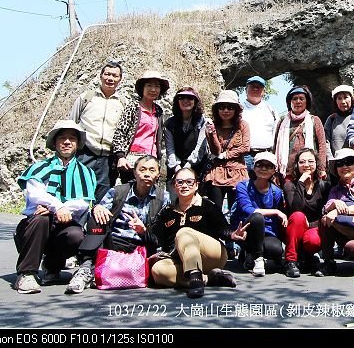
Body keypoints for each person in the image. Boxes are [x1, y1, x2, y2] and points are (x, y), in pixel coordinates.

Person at [13, 120, 96, 294]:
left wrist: (58, 208)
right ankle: (26, 273)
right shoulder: (39, 167)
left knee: (75, 234)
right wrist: (57, 207)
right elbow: (35, 194)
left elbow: (82, 203)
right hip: (33, 228)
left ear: (77, 143)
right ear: (55, 142)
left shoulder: (86, 172)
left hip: (63, 225)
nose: (67, 142)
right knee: (41, 219)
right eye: (62, 138)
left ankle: (52, 267)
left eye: (72, 138)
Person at [65, 155, 169, 294]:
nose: (147, 174)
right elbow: (98, 212)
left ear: (158, 174)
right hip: (115, 241)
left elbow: (162, 231)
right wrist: (97, 208)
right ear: (134, 172)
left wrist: (143, 230)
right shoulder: (118, 191)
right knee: (96, 219)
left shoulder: (164, 197)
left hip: (143, 243)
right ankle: (86, 269)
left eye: (152, 170)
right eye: (142, 169)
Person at [150, 167, 248, 298]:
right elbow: (157, 239)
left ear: (196, 185)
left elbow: (221, 227)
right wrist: (142, 231)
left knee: (184, 233)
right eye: (180, 182)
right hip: (180, 260)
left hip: (211, 256)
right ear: (174, 187)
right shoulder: (166, 211)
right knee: (158, 271)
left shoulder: (207, 205)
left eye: (189, 182)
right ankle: (209, 279)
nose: (184, 185)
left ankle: (196, 280)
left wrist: (232, 234)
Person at [202, 89, 250, 259]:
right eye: (222, 107)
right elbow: (215, 150)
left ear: (236, 109)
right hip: (217, 172)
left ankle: (243, 245)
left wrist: (226, 155)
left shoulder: (243, 125)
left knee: (238, 210)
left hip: (237, 171)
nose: (226, 110)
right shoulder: (213, 125)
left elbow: (246, 147)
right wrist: (212, 133)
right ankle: (221, 244)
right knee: (216, 210)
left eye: (230, 107)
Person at [69, 61, 124, 202]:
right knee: (78, 196)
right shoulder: (86, 98)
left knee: (103, 201)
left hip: (108, 159)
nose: (110, 78)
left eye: (115, 76)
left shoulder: (123, 102)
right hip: (84, 154)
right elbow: (71, 125)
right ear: (100, 76)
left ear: (120, 79)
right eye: (107, 74)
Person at [316, 148, 354, 277]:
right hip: (341, 230)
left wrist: (339, 211)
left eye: (348, 162)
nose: (344, 167)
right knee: (325, 219)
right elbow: (326, 208)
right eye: (340, 164)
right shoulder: (335, 189)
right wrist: (335, 204)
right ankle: (328, 262)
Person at [231, 152, 287, 277]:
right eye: (260, 165)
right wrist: (276, 212)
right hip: (245, 230)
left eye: (268, 166)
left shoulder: (276, 192)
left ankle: (250, 253)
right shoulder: (242, 186)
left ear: (274, 170)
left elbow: (276, 221)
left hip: (266, 231)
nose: (263, 168)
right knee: (257, 217)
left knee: (276, 250)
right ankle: (258, 259)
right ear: (253, 167)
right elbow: (249, 210)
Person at [111, 70, 169, 184]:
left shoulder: (158, 111)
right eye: (149, 86)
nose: (153, 89)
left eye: (157, 86)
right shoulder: (133, 107)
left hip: (151, 159)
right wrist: (120, 156)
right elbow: (121, 132)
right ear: (142, 88)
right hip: (132, 159)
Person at [282, 148, 331, 278]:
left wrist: (310, 224)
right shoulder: (290, 185)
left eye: (310, 161)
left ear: (316, 164)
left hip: (313, 226)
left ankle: (306, 256)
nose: (306, 165)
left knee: (313, 241)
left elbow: (324, 212)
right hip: (294, 227)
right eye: (302, 162)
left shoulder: (324, 186)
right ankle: (291, 261)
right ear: (296, 165)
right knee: (298, 216)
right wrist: (301, 184)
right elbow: (295, 208)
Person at [273, 85, 328, 184]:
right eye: (294, 99)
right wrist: (275, 172)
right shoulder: (282, 122)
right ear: (290, 102)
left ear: (307, 102)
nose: (298, 101)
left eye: (301, 98)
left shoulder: (314, 120)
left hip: (310, 170)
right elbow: (275, 145)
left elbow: (322, 145)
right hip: (287, 172)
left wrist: (322, 168)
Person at [164, 85, 209, 200]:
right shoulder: (170, 123)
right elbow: (170, 149)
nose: (185, 101)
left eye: (190, 98)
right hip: (175, 168)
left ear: (195, 101)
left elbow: (200, 148)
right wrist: (177, 168)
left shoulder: (203, 122)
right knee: (173, 202)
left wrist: (187, 169)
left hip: (196, 168)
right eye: (181, 98)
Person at [241, 75, 279, 176]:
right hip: (244, 156)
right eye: (252, 86)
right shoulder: (238, 109)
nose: (255, 89)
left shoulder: (271, 110)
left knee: (263, 189)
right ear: (246, 89)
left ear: (264, 91)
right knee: (243, 188)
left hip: (266, 155)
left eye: (259, 87)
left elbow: (277, 133)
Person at [324, 84, 354, 161]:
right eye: (339, 98)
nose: (343, 101)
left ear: (351, 99)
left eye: (346, 97)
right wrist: (331, 160)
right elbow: (325, 142)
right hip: (337, 164)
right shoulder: (331, 119)